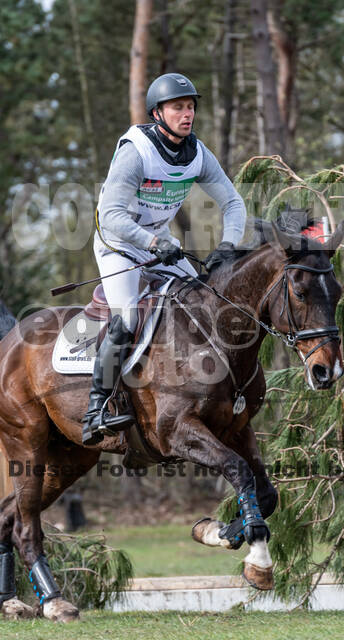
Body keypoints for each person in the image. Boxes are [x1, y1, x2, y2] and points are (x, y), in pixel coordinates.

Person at [82, 72, 247, 445]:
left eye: (190, 107)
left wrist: (228, 244)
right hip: (119, 245)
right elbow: (111, 217)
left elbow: (233, 203)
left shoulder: (197, 154)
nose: (187, 114)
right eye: (178, 108)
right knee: (127, 319)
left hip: (159, 244)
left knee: (205, 303)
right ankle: (95, 410)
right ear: (158, 113)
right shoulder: (135, 151)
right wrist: (153, 242)